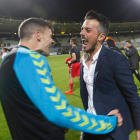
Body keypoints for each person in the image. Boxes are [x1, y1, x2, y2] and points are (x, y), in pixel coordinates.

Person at [0, 18, 122, 140]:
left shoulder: (9, 58)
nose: (52, 41)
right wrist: (109, 122)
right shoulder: (31, 59)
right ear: (38, 35)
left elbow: (27, 106)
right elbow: (60, 112)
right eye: (50, 36)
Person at [80, 10, 140, 140]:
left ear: (101, 36)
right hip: (89, 127)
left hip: (112, 131)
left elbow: (132, 96)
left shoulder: (116, 59)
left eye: (88, 30)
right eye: (82, 29)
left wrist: (139, 127)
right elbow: (86, 94)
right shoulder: (83, 60)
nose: (82, 33)